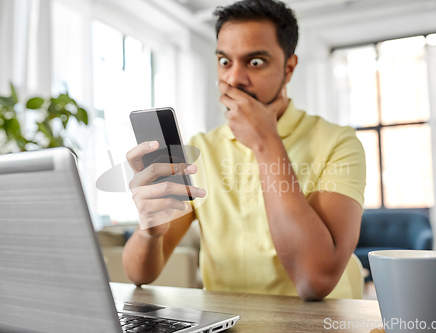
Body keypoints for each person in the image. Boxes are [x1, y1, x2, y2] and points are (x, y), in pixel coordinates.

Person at [122, 0, 366, 301]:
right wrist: (149, 232)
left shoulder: (338, 143)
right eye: (225, 61)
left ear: (288, 69)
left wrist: (265, 142)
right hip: (228, 322)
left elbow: (314, 280)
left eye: (255, 62)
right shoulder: (201, 149)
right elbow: (139, 275)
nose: (234, 79)